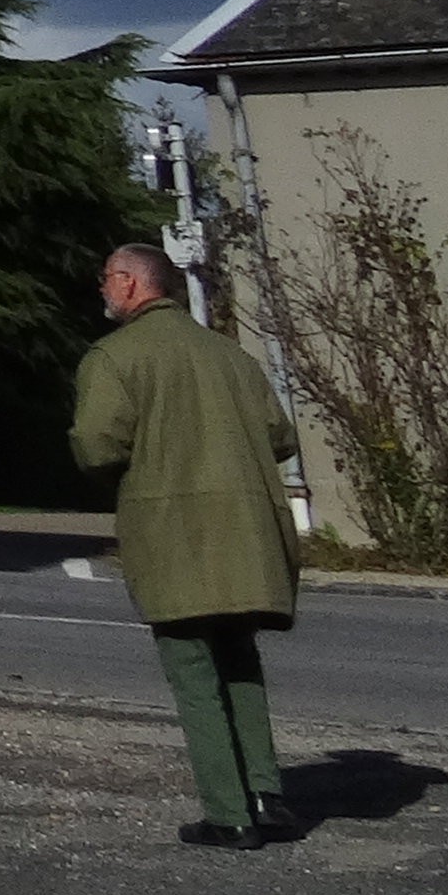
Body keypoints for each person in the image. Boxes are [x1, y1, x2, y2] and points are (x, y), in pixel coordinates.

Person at [69, 241, 304, 848]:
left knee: (194, 671)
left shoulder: (115, 357)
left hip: (174, 533)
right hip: (248, 531)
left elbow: (98, 445)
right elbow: (280, 437)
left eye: (104, 279)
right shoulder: (231, 356)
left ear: (127, 284)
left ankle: (227, 814)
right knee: (240, 663)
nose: (101, 291)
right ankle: (266, 795)